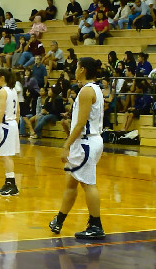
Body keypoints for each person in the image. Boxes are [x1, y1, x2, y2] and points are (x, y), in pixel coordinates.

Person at [49, 57, 105, 240]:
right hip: (89, 141)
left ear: (82, 70)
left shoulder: (86, 91)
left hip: (86, 142)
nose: (74, 69)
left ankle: (96, 225)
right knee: (71, 183)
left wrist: (66, 145)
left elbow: (80, 123)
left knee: (88, 184)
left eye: (77, 66)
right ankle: (59, 219)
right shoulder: (94, 88)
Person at [0, 68, 20, 196]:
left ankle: (12, 184)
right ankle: (9, 182)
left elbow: (1, 111)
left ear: (2, 77)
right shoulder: (13, 90)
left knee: (6, 156)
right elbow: (18, 111)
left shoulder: (3, 91)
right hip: (12, 123)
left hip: (5, 125)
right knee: (6, 155)